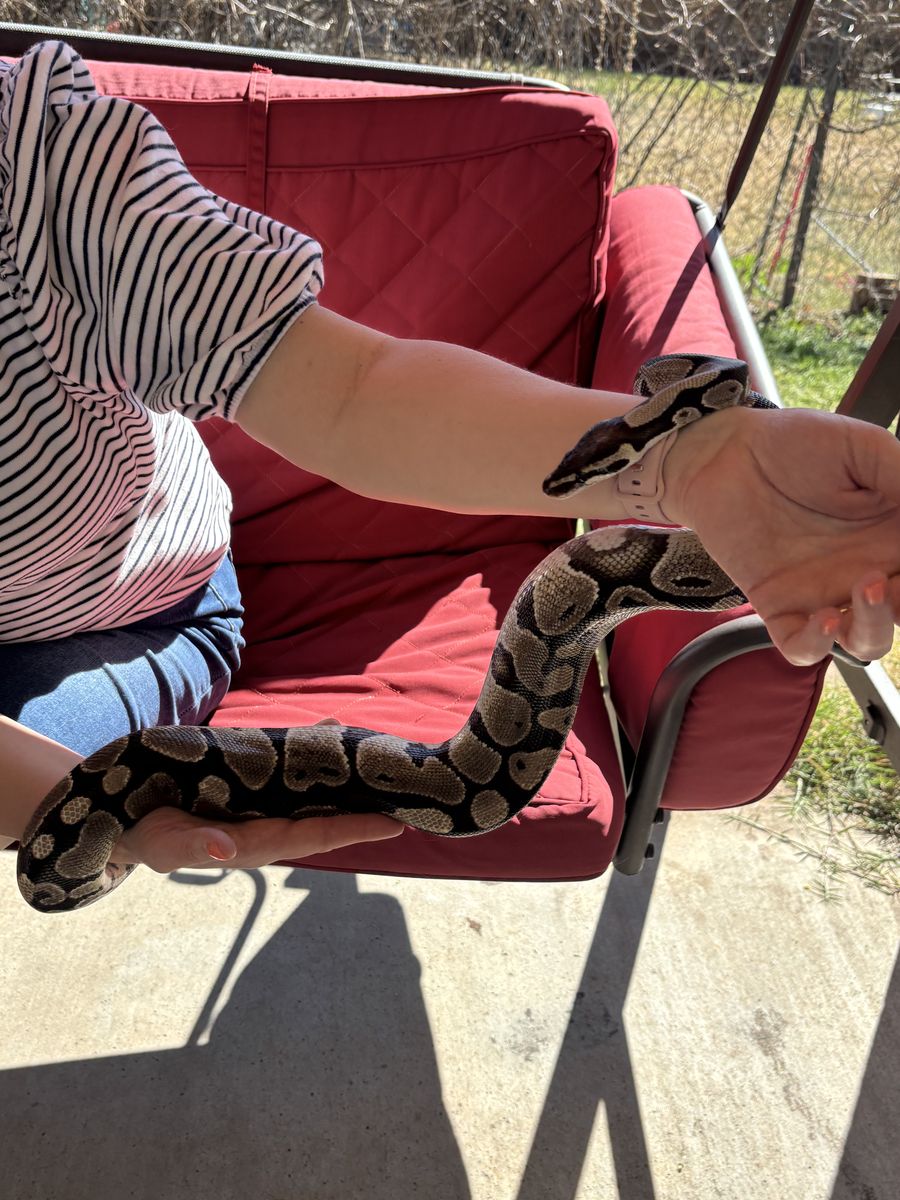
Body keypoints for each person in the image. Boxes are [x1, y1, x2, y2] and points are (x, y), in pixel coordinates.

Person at [2, 40, 899, 883]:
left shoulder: (41, 167)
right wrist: (69, 806)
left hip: (137, 608)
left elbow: (355, 395)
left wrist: (692, 462)